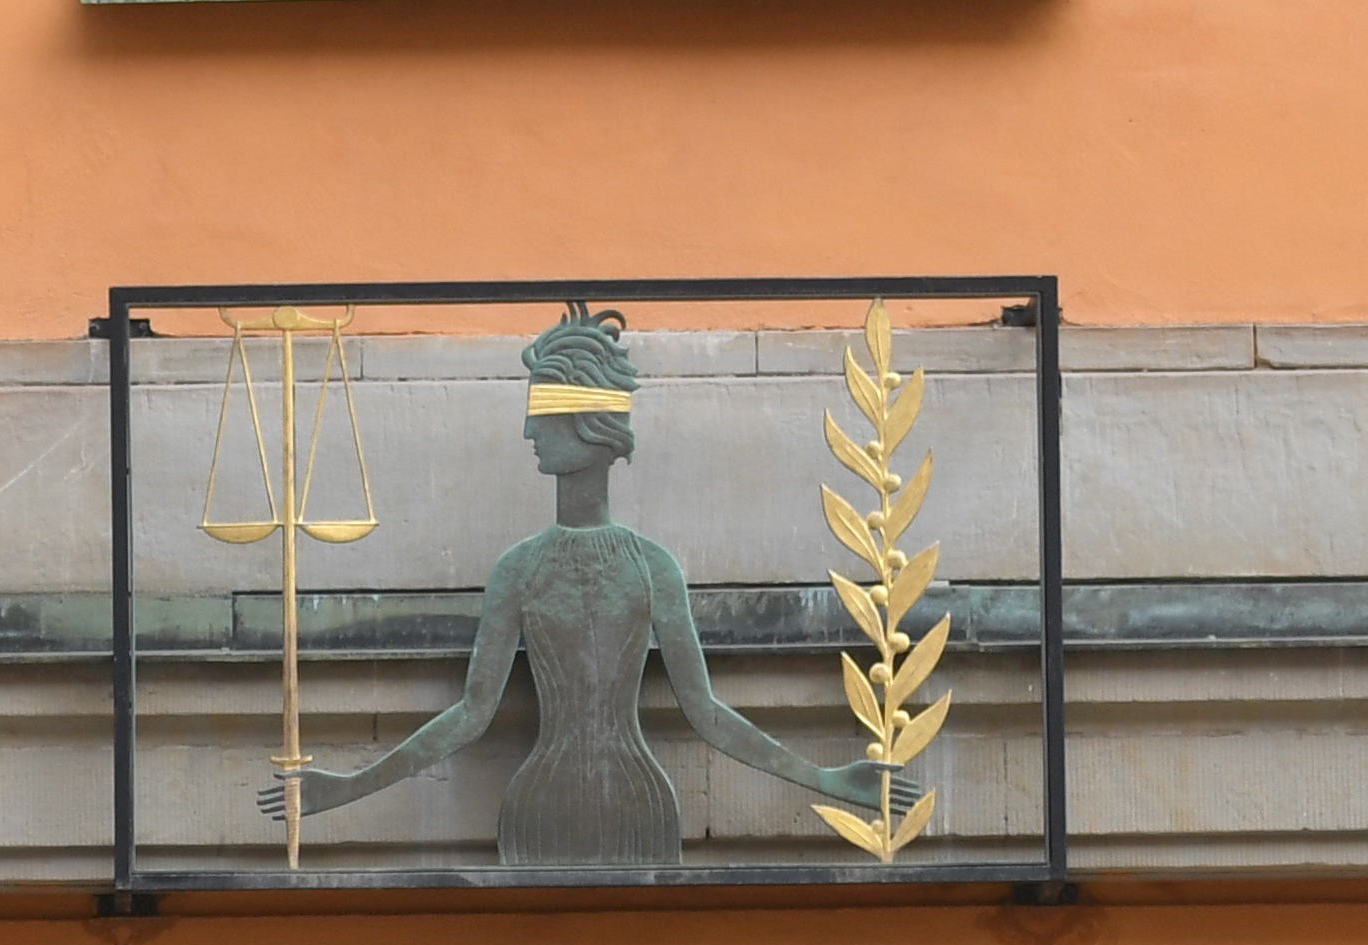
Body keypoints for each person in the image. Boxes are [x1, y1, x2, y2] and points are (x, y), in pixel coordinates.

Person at [263, 305, 897, 870]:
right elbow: (469, 715)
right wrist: (342, 789)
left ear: (590, 427)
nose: (528, 434)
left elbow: (707, 714)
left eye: (542, 415)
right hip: (541, 807)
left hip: (637, 806)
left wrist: (832, 780)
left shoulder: (651, 568)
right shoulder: (521, 569)